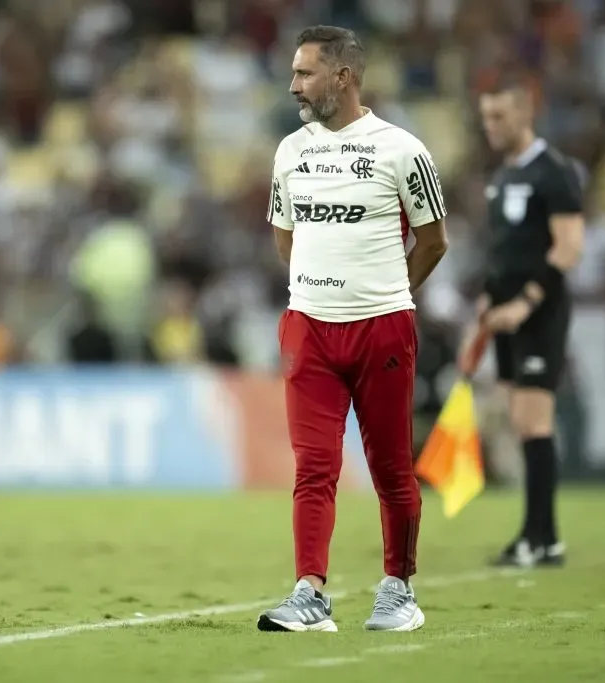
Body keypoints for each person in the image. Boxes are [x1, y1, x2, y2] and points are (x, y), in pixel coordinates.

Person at [258, 26, 448, 633]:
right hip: (309, 329)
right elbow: (285, 236)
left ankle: (400, 590)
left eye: (304, 73)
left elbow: (435, 240)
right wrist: (320, 290)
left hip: (383, 329)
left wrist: (386, 292)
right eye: (293, 73)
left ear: (342, 77)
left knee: (392, 468)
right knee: (313, 468)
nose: (293, 86)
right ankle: (309, 593)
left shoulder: (402, 150)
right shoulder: (291, 151)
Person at [457, 75, 585, 568]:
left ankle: (542, 537)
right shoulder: (504, 175)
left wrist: (525, 304)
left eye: (500, 117)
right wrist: (488, 308)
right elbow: (504, 253)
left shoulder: (553, 171)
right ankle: (538, 536)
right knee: (518, 420)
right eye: (486, 117)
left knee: (534, 422)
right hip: (505, 315)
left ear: (525, 113)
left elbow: (569, 246)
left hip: (539, 313)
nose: (491, 126)